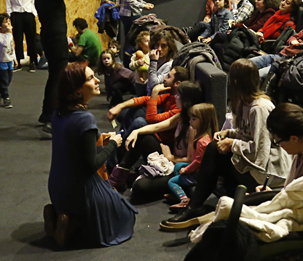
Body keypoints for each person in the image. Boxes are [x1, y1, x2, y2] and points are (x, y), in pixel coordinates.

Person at [161, 59, 290, 230]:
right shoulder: (244, 103)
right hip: (251, 165)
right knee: (216, 146)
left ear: (236, 81)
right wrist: (228, 134)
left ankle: (195, 206)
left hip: (266, 174)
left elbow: (260, 153)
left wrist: (232, 143)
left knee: (214, 150)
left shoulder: (259, 107)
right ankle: (198, 204)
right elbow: (247, 134)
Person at [44, 61, 137, 248]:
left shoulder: (58, 114)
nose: (97, 80)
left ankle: (59, 214)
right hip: (81, 192)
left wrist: (100, 140)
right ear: (78, 90)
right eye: (90, 78)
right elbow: (90, 165)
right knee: (126, 215)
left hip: (57, 188)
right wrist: (112, 144)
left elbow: (73, 149)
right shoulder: (85, 119)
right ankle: (72, 225)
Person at [33, 0, 112, 132]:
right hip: (54, 40)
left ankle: (46, 115)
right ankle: (51, 119)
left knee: (54, 77)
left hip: (50, 38)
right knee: (58, 78)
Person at [110, 80, 205, 197]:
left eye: (179, 95)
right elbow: (157, 126)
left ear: (187, 100)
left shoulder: (193, 126)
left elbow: (189, 161)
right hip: (169, 160)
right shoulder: (181, 116)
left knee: (139, 187)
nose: (175, 97)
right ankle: (117, 178)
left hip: (179, 169)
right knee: (143, 135)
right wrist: (136, 131)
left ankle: (139, 177)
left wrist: (169, 157)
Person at [167, 103, 218, 211]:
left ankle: (184, 199)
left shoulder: (202, 142)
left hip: (197, 173)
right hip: (197, 169)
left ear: (203, 121)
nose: (190, 121)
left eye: (193, 119)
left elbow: (198, 162)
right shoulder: (204, 136)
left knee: (171, 181)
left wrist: (186, 169)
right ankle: (181, 192)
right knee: (178, 166)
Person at [7, 0, 42, 72]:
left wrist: (34, 14)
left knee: (31, 39)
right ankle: (18, 62)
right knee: (17, 39)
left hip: (28, 14)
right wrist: (10, 16)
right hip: (16, 15)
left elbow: (35, 1)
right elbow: (8, 4)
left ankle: (33, 62)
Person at [0, 13, 16, 108]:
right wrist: (8, 33)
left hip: (10, 60)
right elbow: (5, 44)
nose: (9, 24)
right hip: (2, 61)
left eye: (9, 22)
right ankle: (6, 98)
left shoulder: (9, 35)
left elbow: (11, 47)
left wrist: (14, 58)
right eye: (6, 23)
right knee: (4, 81)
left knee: (8, 81)